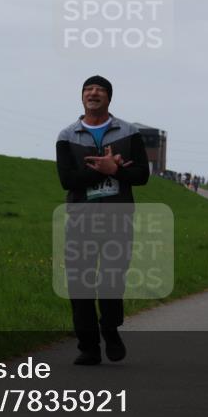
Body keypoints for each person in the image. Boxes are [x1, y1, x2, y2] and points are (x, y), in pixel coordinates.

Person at [56, 76, 149, 365]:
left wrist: (117, 172)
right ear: (82, 97)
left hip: (118, 217)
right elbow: (67, 180)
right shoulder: (67, 136)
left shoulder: (129, 132)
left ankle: (109, 328)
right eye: (88, 89)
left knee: (112, 278)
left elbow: (142, 176)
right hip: (80, 219)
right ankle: (88, 346)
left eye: (100, 90)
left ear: (109, 98)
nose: (93, 93)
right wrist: (108, 169)